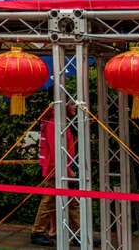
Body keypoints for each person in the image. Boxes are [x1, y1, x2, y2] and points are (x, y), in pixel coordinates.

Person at [31, 101, 80, 246]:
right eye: (72, 103)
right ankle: (38, 231)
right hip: (55, 169)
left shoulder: (58, 122)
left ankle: (79, 232)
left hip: (58, 168)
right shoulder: (54, 124)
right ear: (63, 106)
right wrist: (66, 169)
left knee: (70, 202)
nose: (75, 106)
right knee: (49, 202)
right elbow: (56, 151)